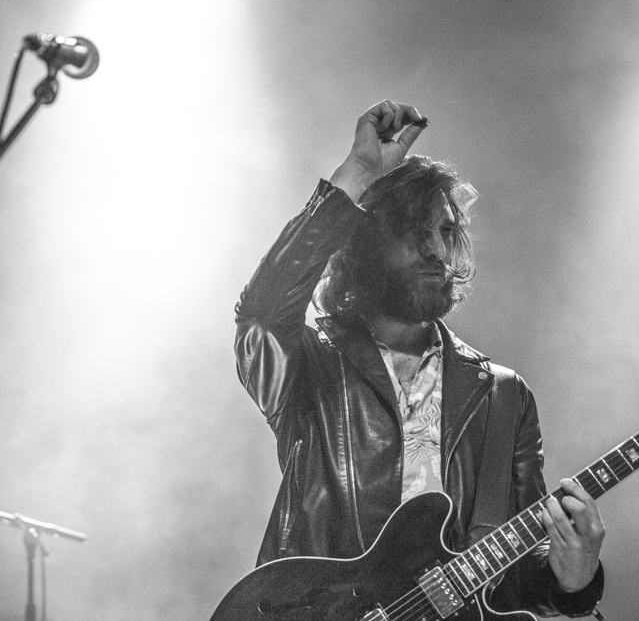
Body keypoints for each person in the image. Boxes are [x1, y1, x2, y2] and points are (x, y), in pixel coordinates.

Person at [234, 99, 605, 617]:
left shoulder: (503, 395)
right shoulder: (313, 364)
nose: (435, 250)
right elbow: (261, 314)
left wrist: (573, 580)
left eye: (446, 232)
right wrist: (357, 174)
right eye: (414, 233)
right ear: (364, 246)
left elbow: (511, 575)